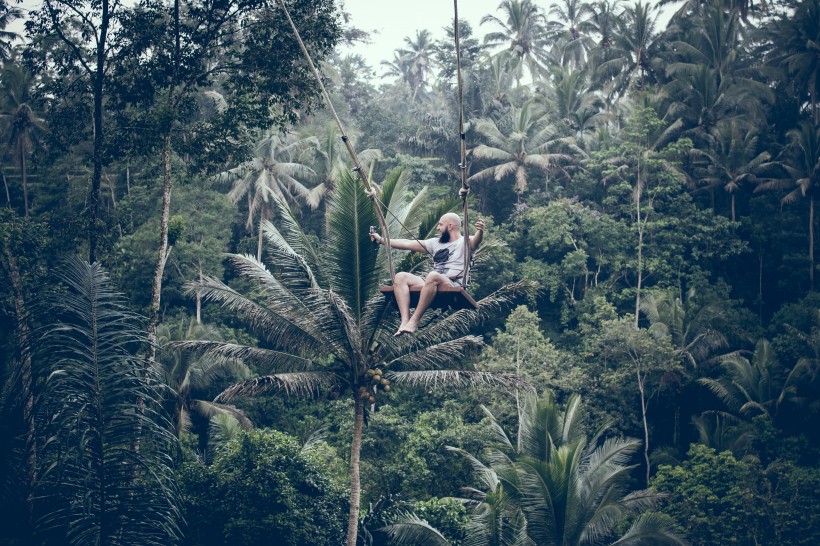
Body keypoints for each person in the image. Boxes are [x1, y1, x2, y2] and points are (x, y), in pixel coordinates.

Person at [370, 212, 485, 335]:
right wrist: (381, 240)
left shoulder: (465, 242)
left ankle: (414, 321)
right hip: (432, 283)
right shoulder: (435, 243)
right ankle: (405, 321)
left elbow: (476, 241)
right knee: (400, 276)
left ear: (450, 226)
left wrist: (480, 231)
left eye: (440, 225)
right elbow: (406, 243)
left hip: (452, 284)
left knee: (433, 275)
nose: (438, 228)